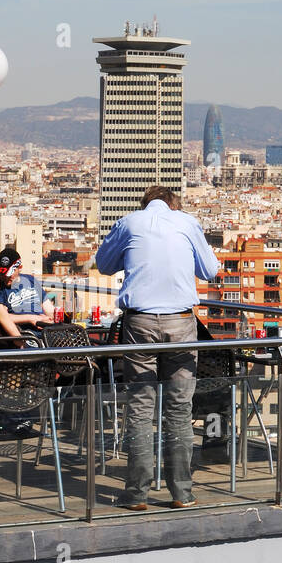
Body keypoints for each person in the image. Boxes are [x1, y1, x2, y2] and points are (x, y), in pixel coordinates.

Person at [96, 184, 219, 511]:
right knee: (179, 408)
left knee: (140, 406)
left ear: (146, 203)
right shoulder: (187, 223)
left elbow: (104, 265)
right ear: (173, 205)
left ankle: (137, 494)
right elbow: (210, 271)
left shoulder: (129, 222)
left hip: (140, 323)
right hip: (181, 322)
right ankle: (181, 492)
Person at [0, 247, 56, 327]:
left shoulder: (30, 280)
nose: (6, 277)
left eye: (9, 274)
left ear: (20, 268)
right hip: (26, 334)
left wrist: (53, 318)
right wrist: (31, 319)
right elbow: (2, 316)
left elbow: (47, 306)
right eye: (3, 274)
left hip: (44, 328)